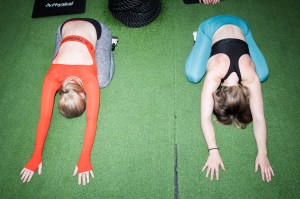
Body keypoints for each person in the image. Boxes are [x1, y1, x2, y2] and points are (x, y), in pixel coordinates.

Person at [185, 15, 274, 182]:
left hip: (242, 26)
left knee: (263, 75)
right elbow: (204, 118)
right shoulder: (214, 74)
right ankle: (200, 38)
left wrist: (263, 152)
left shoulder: (251, 77)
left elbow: (259, 118)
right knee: (193, 75)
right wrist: (213, 151)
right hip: (211, 26)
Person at [20, 18, 103, 185]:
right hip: (66, 27)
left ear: (81, 94)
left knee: (104, 78)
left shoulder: (88, 80)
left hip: (81, 26)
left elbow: (91, 121)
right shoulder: (51, 78)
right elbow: (45, 119)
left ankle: (111, 43)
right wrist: (35, 156)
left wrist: (85, 159)